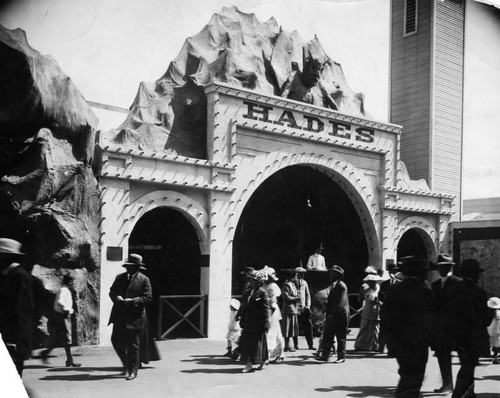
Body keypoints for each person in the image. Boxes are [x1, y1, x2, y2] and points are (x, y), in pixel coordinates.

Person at [380, 256, 434, 398]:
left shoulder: (394, 290)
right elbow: (431, 319)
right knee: (416, 377)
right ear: (420, 273)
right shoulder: (425, 291)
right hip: (419, 343)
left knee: (406, 374)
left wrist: (388, 341)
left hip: (399, 343)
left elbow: (385, 317)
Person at [445, 259, 490, 398]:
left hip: (458, 338)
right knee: (468, 368)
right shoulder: (480, 292)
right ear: (475, 274)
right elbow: (486, 319)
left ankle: (469, 394)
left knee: (467, 367)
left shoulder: (452, 290)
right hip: (474, 339)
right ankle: (459, 394)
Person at [109, 254, 152, 380]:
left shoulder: (144, 280)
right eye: (127, 266)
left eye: (130, 266)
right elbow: (112, 291)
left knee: (133, 345)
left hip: (135, 317)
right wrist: (117, 298)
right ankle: (127, 363)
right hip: (120, 315)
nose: (127, 268)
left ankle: (133, 371)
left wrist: (133, 301)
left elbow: (148, 297)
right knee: (115, 340)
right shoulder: (120, 277)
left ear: (137, 267)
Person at [0, 238, 34, 377]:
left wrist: (14, 337)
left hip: (14, 335)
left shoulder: (19, 276)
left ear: (7, 256)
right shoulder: (7, 274)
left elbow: (21, 309)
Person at [430, 253, 461, 393]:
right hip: (440, 329)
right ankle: (447, 383)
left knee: (464, 360)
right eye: (439, 267)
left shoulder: (458, 283)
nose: (441, 270)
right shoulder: (435, 285)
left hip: (456, 328)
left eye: (445, 267)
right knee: (443, 357)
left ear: (450, 267)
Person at [41, 274, 81, 367]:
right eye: (72, 281)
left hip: (61, 316)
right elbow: (60, 302)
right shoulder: (64, 290)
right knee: (66, 338)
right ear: (69, 282)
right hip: (63, 316)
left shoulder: (64, 290)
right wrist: (67, 309)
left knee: (60, 338)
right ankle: (69, 360)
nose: (73, 283)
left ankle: (46, 353)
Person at [238, 270, 270, 373]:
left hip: (258, 323)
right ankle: (256, 361)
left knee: (257, 344)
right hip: (248, 322)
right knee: (248, 343)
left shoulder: (262, 292)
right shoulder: (248, 292)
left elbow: (265, 310)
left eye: (253, 280)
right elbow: (243, 306)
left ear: (258, 282)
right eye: (251, 279)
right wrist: (240, 317)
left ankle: (252, 363)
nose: (251, 281)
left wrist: (265, 324)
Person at [316, 265, 349, 363]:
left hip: (340, 316)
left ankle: (341, 357)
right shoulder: (334, 285)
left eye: (332, 273)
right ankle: (325, 356)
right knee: (327, 336)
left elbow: (340, 302)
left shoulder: (341, 286)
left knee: (340, 337)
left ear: (337, 275)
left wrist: (331, 313)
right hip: (333, 315)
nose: (330, 275)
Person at [261, 266, 285, 362]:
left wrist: (269, 312)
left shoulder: (273, 286)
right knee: (276, 332)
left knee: (271, 332)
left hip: (272, 310)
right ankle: (280, 353)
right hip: (266, 309)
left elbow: (274, 300)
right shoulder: (263, 286)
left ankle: (268, 354)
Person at [354, 273, 383, 352]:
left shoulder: (377, 287)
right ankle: (360, 345)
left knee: (375, 329)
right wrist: (361, 294)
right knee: (365, 327)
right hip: (367, 309)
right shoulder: (364, 288)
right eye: (371, 281)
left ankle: (375, 346)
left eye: (374, 281)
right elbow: (359, 299)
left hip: (376, 310)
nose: (373, 283)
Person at [378, 262, 402, 354]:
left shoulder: (400, 283)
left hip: (396, 311)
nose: (392, 273)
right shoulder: (385, 283)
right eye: (390, 271)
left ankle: (392, 349)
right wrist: (383, 298)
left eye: (394, 271)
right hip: (386, 309)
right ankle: (381, 347)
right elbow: (380, 295)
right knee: (383, 329)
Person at [295, 266, 314, 350]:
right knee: (295, 327)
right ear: (297, 274)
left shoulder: (305, 283)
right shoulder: (292, 282)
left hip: (304, 308)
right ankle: (295, 345)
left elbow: (308, 295)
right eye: (300, 274)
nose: (302, 275)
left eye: (303, 274)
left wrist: (308, 305)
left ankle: (310, 345)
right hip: (295, 308)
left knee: (308, 326)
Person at [281, 269, 300, 352]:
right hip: (288, 308)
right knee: (287, 327)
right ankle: (286, 345)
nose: (296, 277)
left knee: (292, 328)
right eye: (295, 275)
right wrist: (296, 298)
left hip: (294, 308)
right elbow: (286, 297)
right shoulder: (286, 284)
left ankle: (290, 345)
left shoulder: (293, 284)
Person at [487, 297, 500, 364]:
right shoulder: (498, 313)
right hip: (497, 332)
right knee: (497, 347)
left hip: (490, 331)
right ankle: (495, 359)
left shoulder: (489, 313)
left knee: (492, 345)